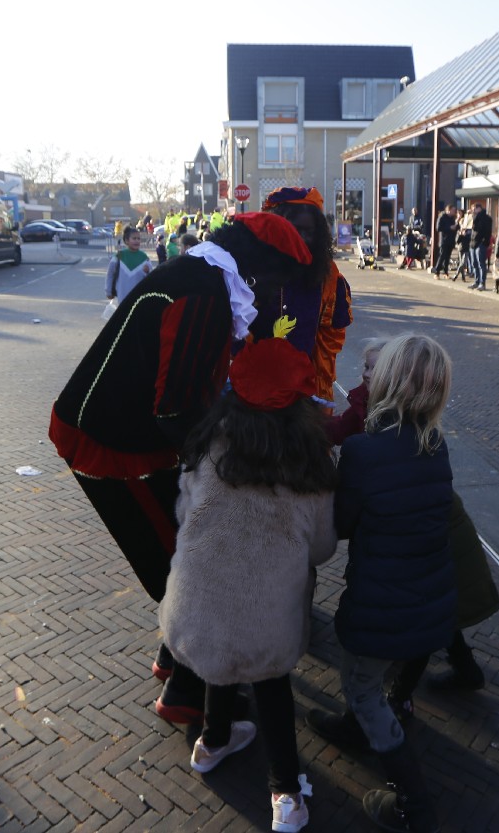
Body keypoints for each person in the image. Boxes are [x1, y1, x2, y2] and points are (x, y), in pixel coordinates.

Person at [49, 213, 311, 723]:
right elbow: (177, 410)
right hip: (114, 444)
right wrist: (230, 465)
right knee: (189, 564)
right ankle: (186, 695)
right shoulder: (202, 295)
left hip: (133, 435)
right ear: (258, 268)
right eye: (278, 281)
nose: (277, 294)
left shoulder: (202, 276)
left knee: (182, 550)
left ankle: (174, 656)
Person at [158, 336, 337, 833]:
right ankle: (286, 794)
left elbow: (183, 513)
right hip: (265, 623)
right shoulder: (310, 466)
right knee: (271, 681)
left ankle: (213, 742)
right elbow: (322, 548)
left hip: (194, 611)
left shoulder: (208, 446)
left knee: (222, 643)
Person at [308, 334, 455, 833]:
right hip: (428, 596)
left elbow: (344, 525)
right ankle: (352, 728)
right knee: (372, 682)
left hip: (381, 603)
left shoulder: (363, 450)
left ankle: (416, 805)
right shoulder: (436, 445)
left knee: (363, 687)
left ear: (388, 381)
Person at [256, 187, 353, 405]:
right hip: (253, 387)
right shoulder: (252, 268)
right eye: (294, 229)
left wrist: (318, 381)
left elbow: (331, 335)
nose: (301, 238)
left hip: (304, 391)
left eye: (308, 231)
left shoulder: (329, 278)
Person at [106, 226, 151, 303]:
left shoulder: (144, 257)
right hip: (122, 296)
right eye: (134, 238)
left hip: (139, 298)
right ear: (126, 241)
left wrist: (148, 271)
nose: (137, 241)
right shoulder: (119, 256)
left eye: (138, 239)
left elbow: (151, 277)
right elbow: (110, 274)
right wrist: (108, 291)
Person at [468, 202, 493, 291]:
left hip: (480, 243)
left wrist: (485, 242)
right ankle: (477, 281)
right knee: (474, 263)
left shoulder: (485, 218)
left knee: (481, 263)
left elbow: (481, 229)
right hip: (473, 242)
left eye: (474, 209)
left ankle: (482, 283)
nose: (473, 211)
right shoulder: (474, 217)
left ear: (479, 209)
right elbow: (472, 228)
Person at [433, 204, 458, 278]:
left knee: (447, 257)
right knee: (442, 256)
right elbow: (438, 228)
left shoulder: (453, 218)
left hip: (451, 240)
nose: (454, 212)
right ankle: (436, 272)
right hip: (444, 240)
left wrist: (456, 227)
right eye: (453, 210)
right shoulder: (442, 217)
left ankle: (445, 272)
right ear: (448, 210)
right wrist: (449, 228)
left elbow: (456, 227)